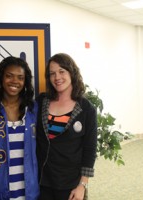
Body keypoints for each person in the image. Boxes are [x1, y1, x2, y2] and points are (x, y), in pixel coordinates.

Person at [36, 53, 97, 200]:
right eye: (52, 73)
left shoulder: (86, 109)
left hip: (70, 185)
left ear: (72, 72)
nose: (57, 77)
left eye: (62, 71)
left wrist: (82, 185)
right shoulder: (41, 102)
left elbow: (90, 149)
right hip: (42, 182)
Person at [0, 56, 39, 200]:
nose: (15, 81)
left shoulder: (33, 110)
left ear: (25, 81)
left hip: (29, 191)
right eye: (9, 76)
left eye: (20, 78)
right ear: (1, 78)